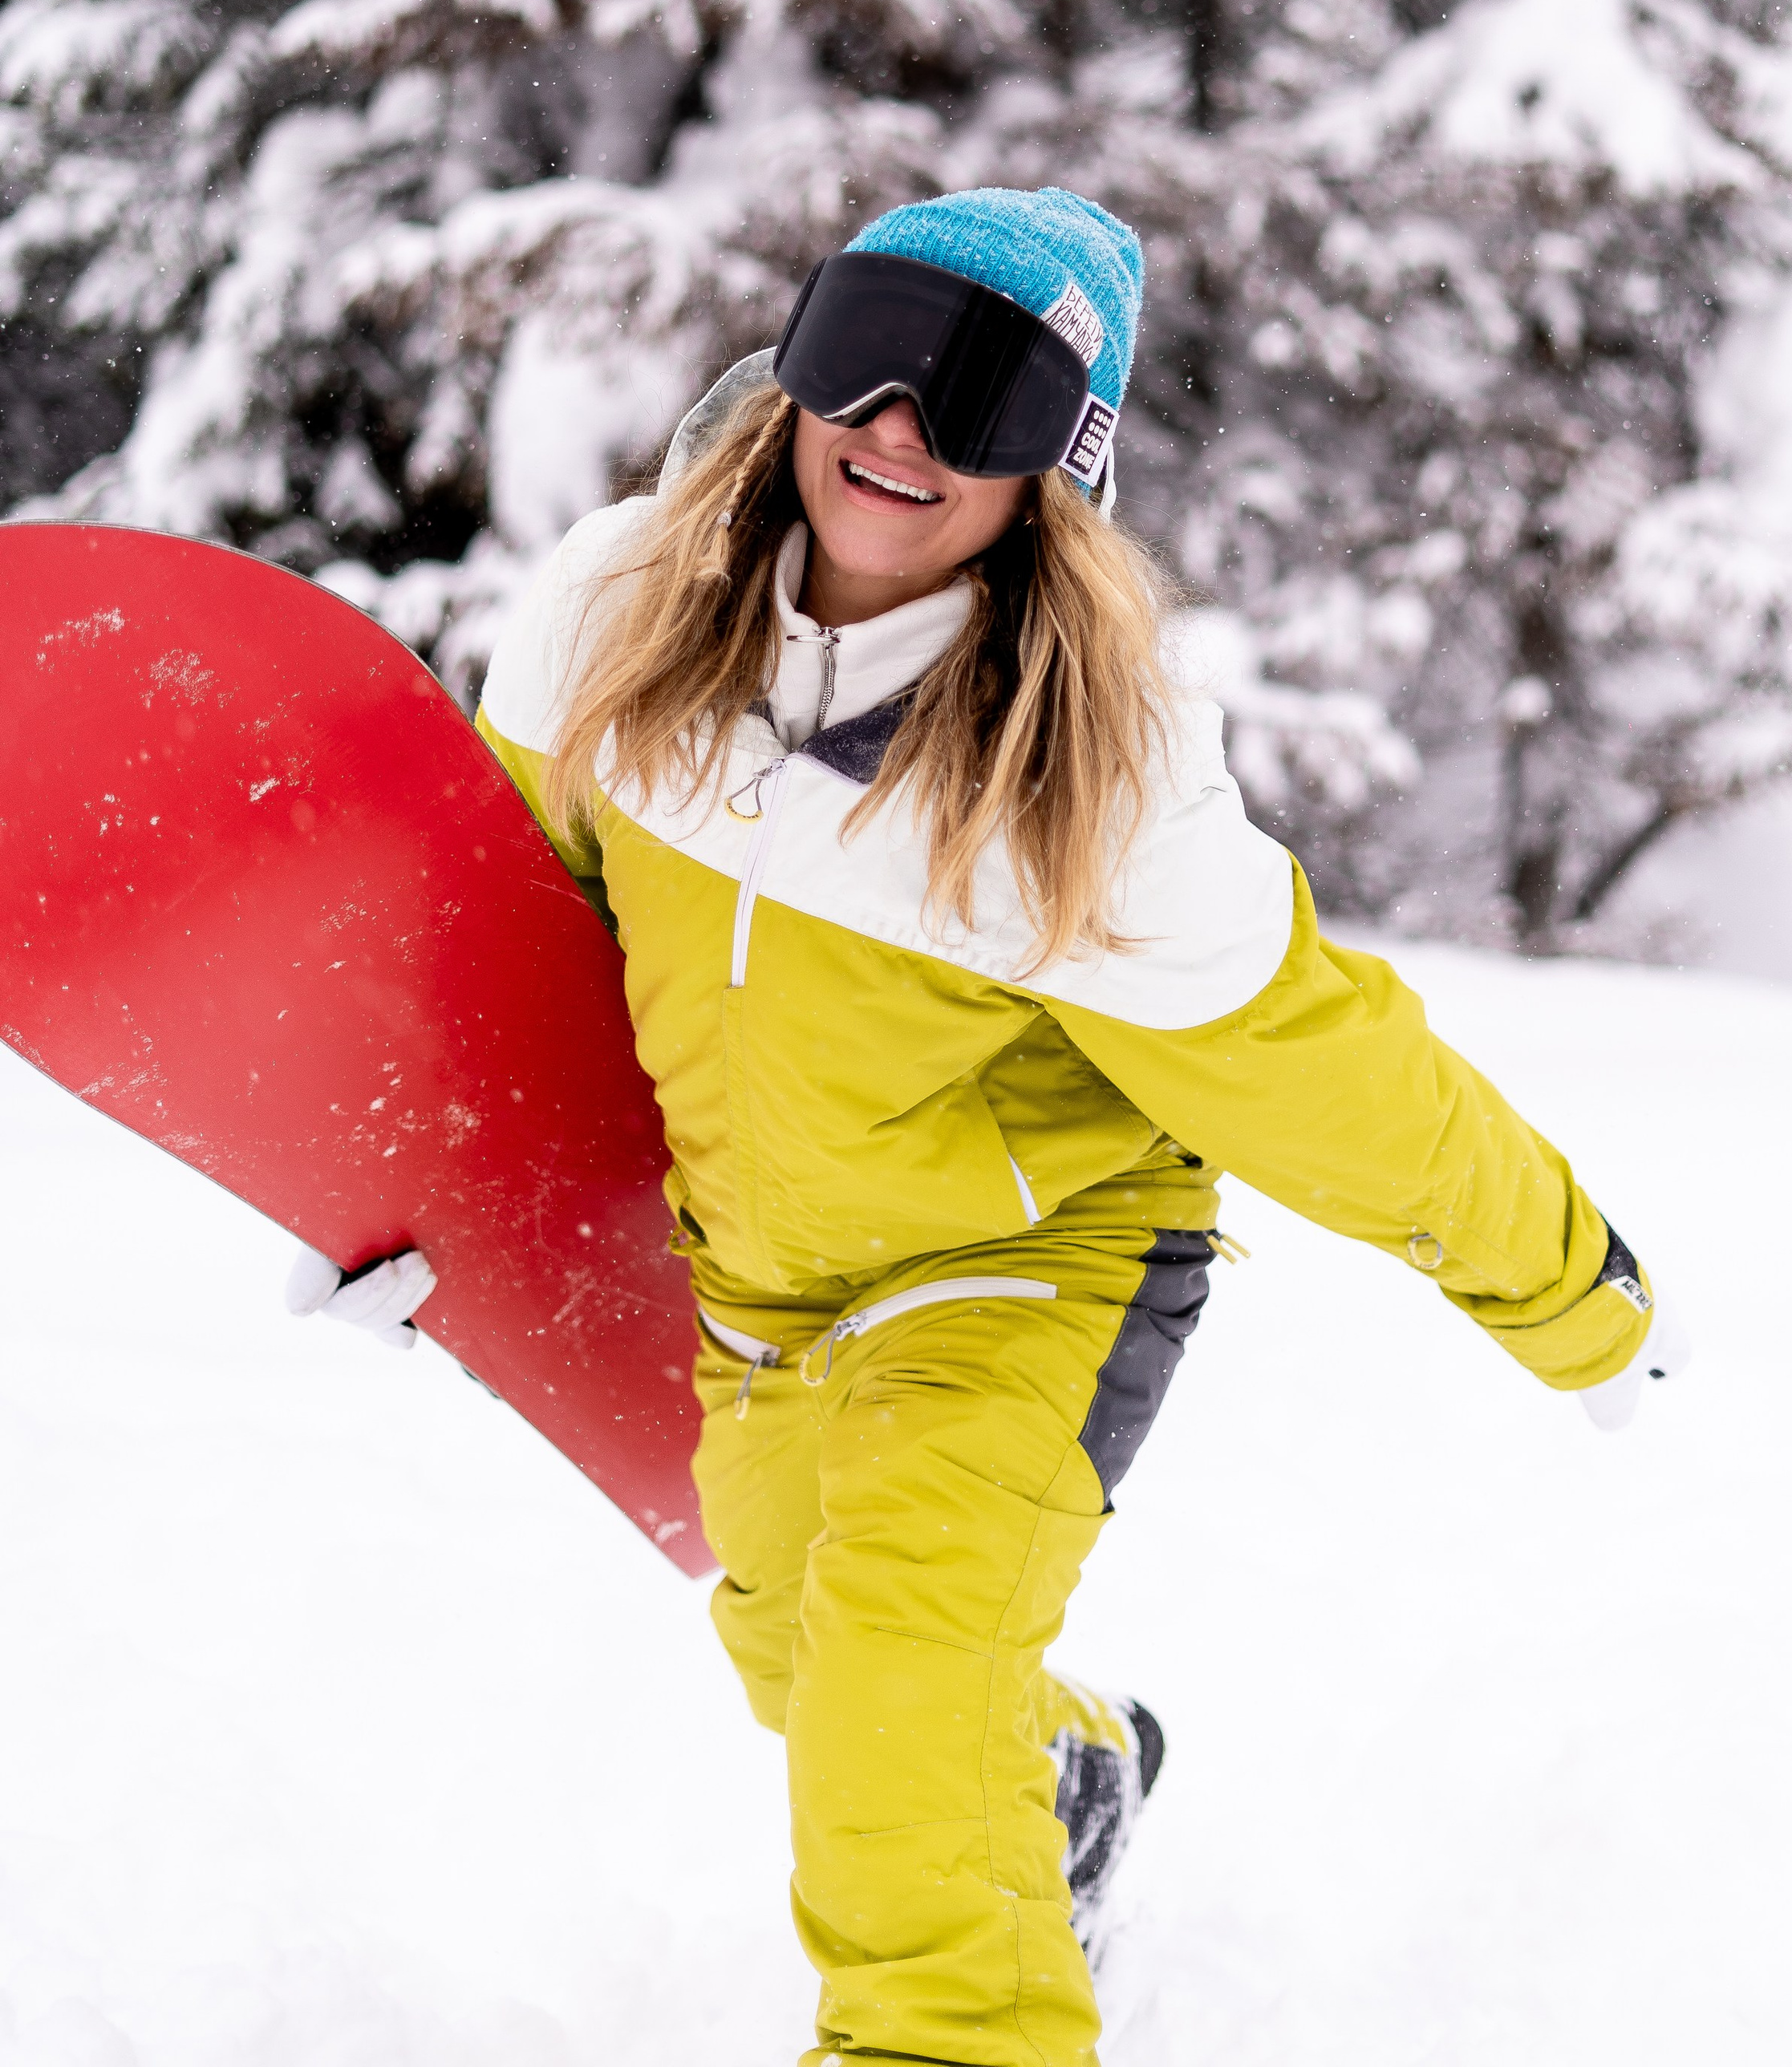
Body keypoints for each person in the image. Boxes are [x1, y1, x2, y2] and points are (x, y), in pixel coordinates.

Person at [297, 186, 1685, 2067]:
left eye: (984, 396)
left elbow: (1324, 1070)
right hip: (763, 1278)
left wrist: (1569, 1287)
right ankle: (1062, 1783)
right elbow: (512, 950)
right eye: (867, 348)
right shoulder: (616, 609)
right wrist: (420, 1194)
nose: (898, 425)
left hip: (1028, 1267)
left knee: (892, 1686)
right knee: (805, 1660)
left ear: (1059, 468)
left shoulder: (1088, 769)